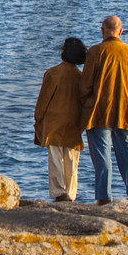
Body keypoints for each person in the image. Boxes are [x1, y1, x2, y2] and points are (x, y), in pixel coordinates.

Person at [80, 15, 128, 205]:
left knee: (102, 155)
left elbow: (85, 86)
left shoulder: (95, 52)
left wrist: (87, 102)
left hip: (99, 111)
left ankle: (103, 196)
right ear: (120, 31)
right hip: (126, 111)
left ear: (102, 31)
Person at [34, 37, 86, 202]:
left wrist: (38, 119)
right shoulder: (80, 76)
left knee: (56, 158)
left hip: (54, 121)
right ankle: (70, 193)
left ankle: (59, 191)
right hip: (73, 122)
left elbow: (43, 101)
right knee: (71, 160)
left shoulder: (53, 73)